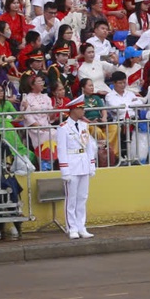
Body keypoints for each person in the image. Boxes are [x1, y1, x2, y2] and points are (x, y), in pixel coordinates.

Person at [54, 100, 97, 238]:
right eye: (81, 108)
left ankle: (81, 226)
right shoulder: (63, 127)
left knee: (82, 197)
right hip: (71, 164)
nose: (83, 111)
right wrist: (64, 170)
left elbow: (88, 146)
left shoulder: (84, 125)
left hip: (83, 162)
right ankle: (72, 227)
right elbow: (61, 150)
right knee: (71, 199)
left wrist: (92, 165)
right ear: (73, 110)